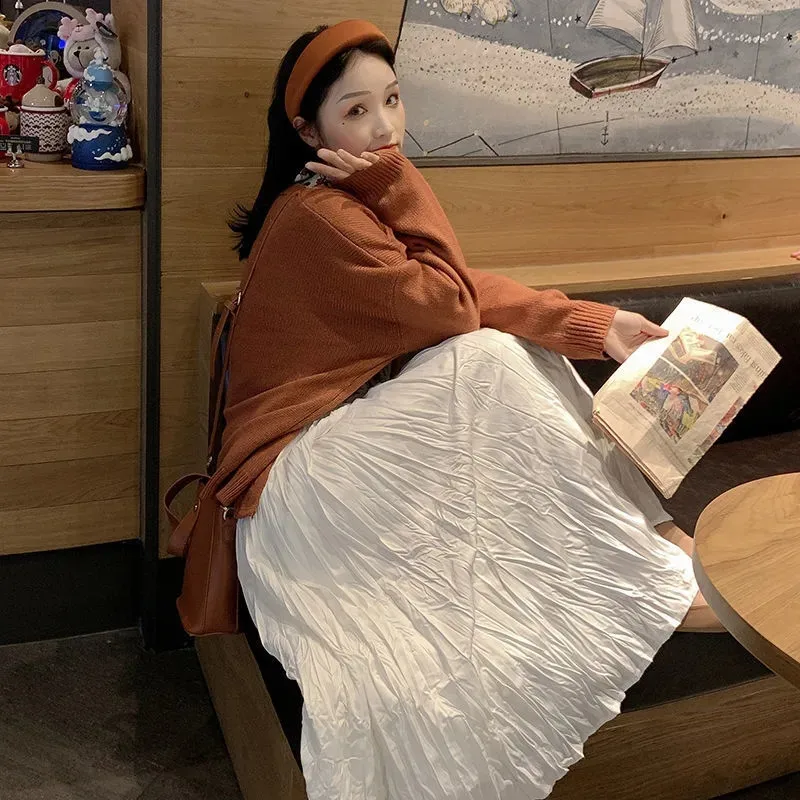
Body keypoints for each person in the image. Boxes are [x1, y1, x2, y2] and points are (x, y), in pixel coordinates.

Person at [218, 20, 723, 800]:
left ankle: (648, 539)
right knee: (483, 358)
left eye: (392, 99)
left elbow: (449, 290)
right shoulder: (323, 216)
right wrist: (400, 183)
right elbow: (453, 304)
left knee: (506, 352)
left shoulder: (342, 202)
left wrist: (596, 326)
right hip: (295, 484)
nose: (384, 127)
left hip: (328, 450)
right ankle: (648, 560)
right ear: (308, 131)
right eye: (356, 111)